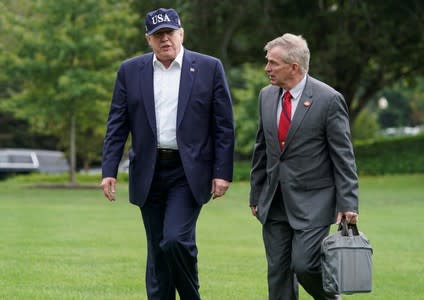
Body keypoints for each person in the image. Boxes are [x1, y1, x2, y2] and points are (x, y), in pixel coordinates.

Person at [100, 7, 234, 300]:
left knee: (175, 239)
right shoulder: (130, 71)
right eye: (157, 35)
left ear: (181, 33)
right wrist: (109, 169)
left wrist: (222, 172)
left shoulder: (209, 68)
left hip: (189, 172)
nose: (165, 40)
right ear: (148, 39)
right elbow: (117, 124)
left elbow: (223, 125)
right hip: (148, 170)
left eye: (170, 33)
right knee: (157, 246)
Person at [249, 33, 359, 300]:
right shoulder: (266, 96)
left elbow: (343, 156)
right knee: (278, 273)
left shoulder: (329, 100)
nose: (267, 69)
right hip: (274, 200)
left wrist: (349, 203)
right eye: (267, 62)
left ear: (294, 67)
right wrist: (256, 194)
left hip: (314, 201)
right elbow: (261, 149)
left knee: (305, 264)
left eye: (273, 63)